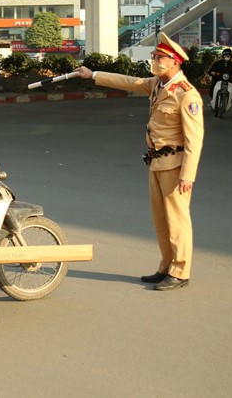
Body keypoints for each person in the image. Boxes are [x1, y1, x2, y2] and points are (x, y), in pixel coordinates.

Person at [77, 32, 204, 291]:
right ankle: (166, 266)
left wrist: (187, 175)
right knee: (160, 219)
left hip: (175, 165)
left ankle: (180, 271)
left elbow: (195, 140)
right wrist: (93, 75)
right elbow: (130, 82)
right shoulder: (157, 84)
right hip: (156, 162)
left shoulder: (187, 95)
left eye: (159, 57)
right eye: (155, 56)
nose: (155, 60)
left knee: (177, 220)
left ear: (175, 62)